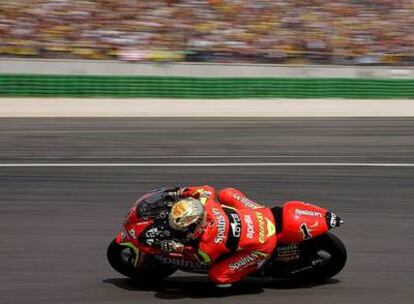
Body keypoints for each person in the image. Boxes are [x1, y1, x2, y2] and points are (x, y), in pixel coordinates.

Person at [137, 185, 278, 287]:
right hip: (261, 213)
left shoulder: (208, 246)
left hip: (263, 242)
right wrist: (179, 193)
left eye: (183, 227)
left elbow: (201, 259)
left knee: (218, 277)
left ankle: (255, 266)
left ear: (196, 226)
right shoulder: (207, 205)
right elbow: (206, 189)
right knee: (226, 193)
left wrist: (178, 248)